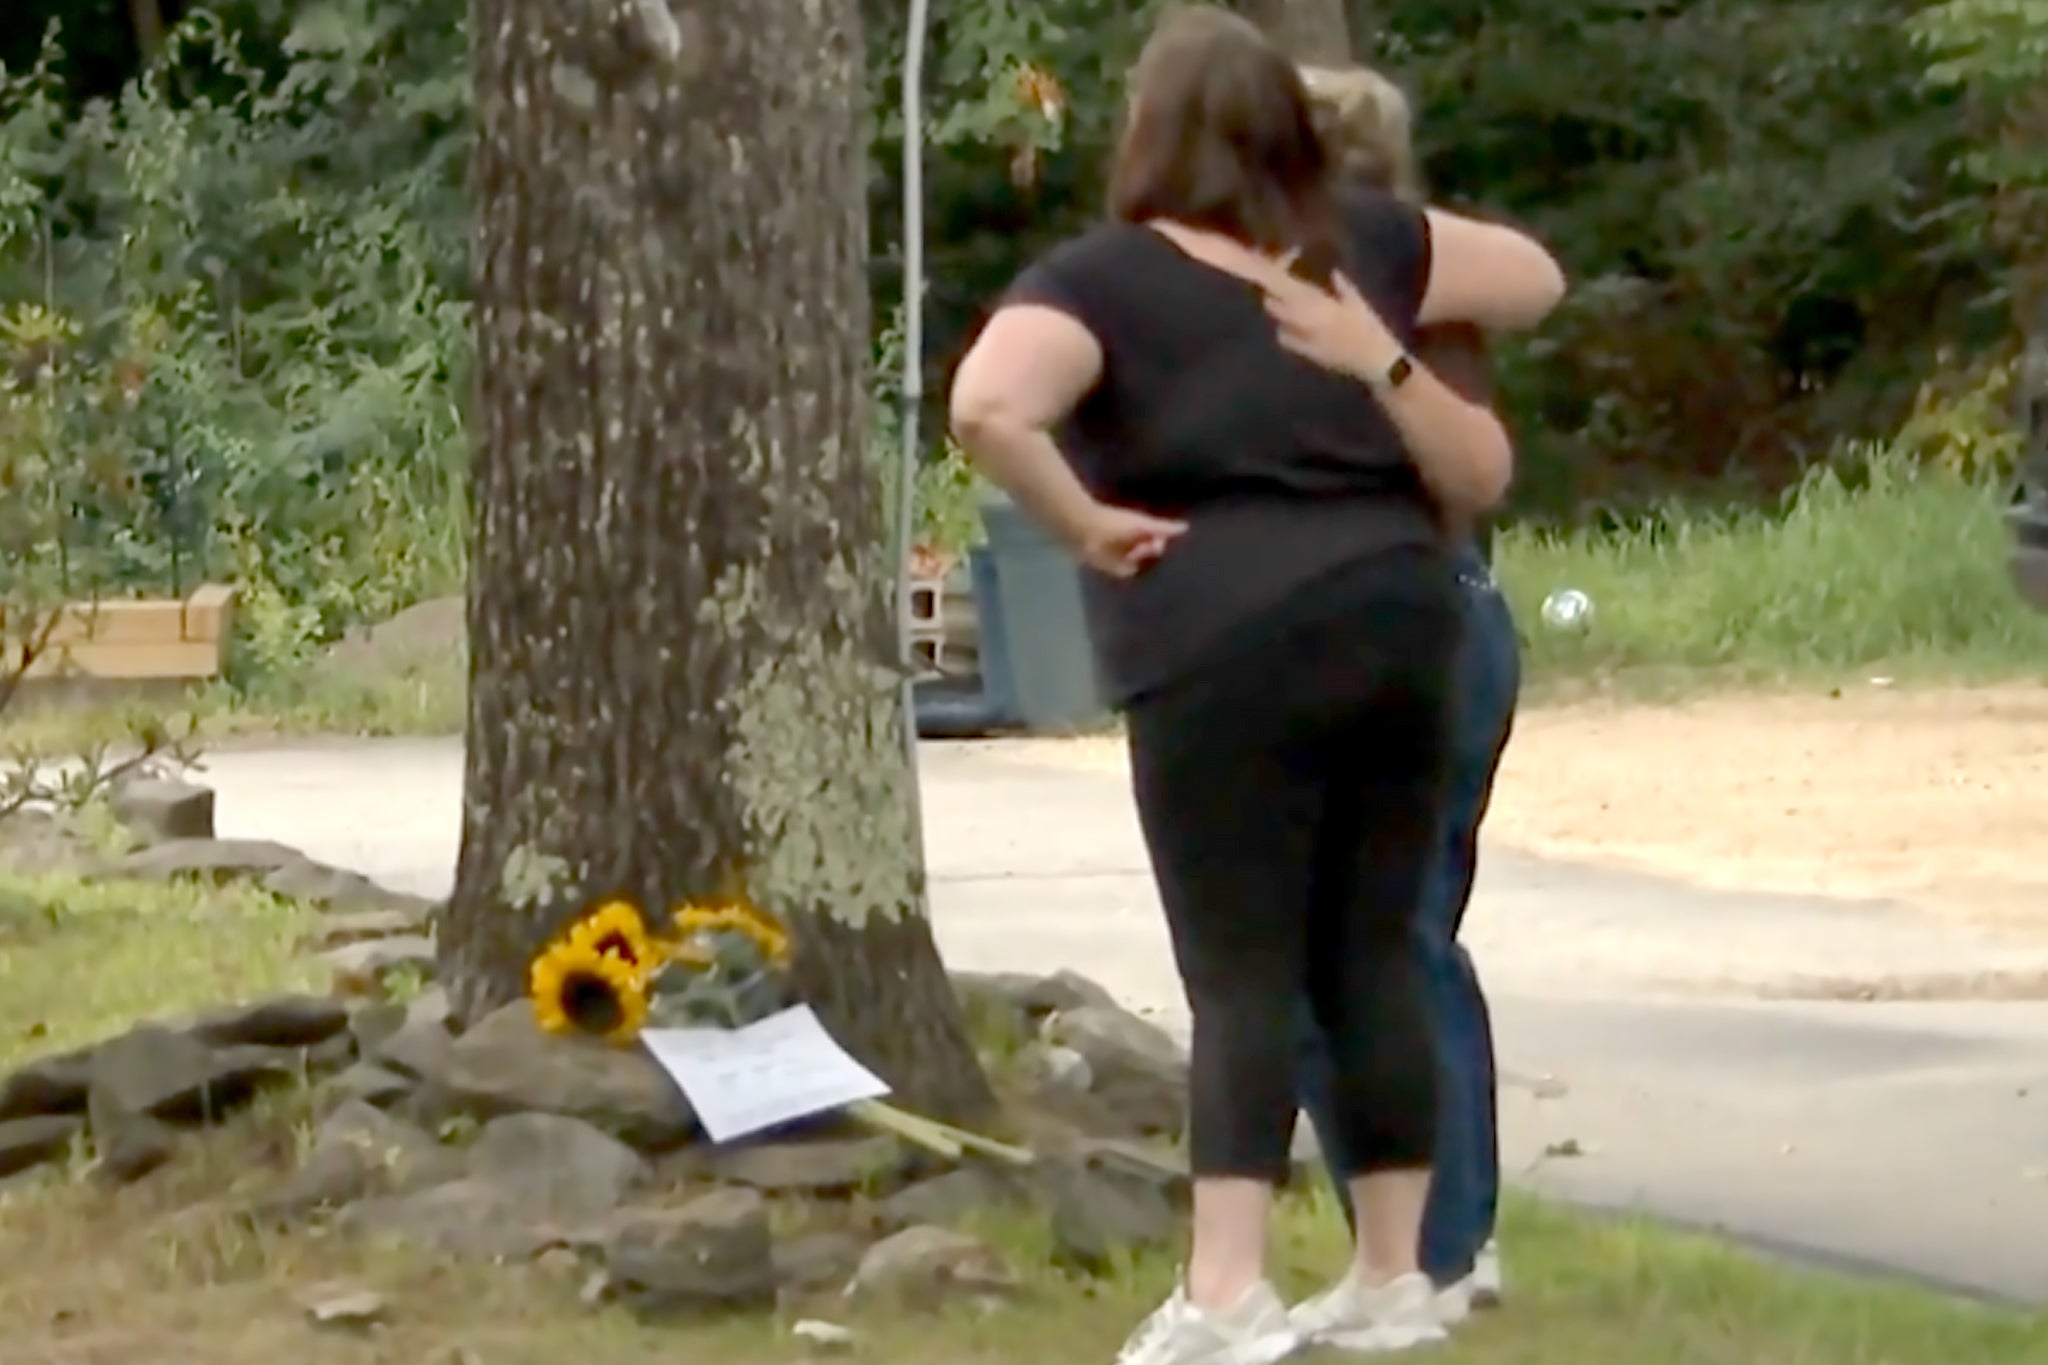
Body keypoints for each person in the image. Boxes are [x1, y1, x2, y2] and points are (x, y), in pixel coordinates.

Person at [948, 8, 1565, 1362]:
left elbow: (989, 405)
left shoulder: (1104, 279)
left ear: (1146, 132)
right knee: (1373, 946)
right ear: (1290, 131)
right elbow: (1532, 279)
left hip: (1222, 639)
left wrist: (1082, 523)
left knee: (1241, 967)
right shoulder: (1365, 250)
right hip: (1401, 619)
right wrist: (1385, 320)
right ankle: (1395, 1273)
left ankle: (1226, 1290)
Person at [1290, 61, 1523, 1323]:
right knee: (1381, 935)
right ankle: (1423, 1243)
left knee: (1382, 935)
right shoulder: (1403, 283)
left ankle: (1433, 1246)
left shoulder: (1376, 285)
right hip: (1425, 611)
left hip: (1410, 614)